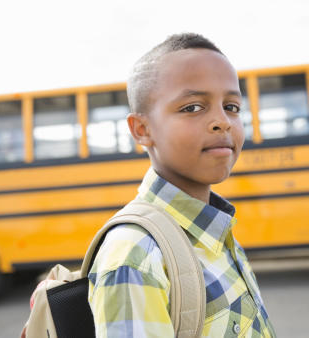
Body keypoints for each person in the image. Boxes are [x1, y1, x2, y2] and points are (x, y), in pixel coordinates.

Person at [87, 33, 276, 337]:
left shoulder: (217, 231)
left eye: (232, 106)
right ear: (142, 130)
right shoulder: (136, 257)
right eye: (192, 107)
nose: (222, 121)